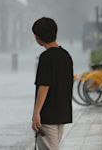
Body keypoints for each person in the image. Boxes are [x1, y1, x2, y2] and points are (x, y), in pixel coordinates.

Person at [31, 17, 73, 150]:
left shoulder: (46, 57)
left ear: (38, 37)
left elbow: (44, 86)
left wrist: (36, 113)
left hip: (48, 115)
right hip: (62, 113)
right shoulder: (66, 56)